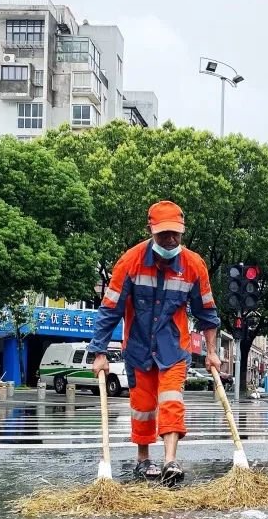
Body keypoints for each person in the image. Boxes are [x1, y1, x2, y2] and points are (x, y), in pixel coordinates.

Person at [89, 200, 221, 484]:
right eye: (163, 234)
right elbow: (110, 308)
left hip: (172, 347)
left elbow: (207, 313)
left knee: (171, 401)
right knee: (143, 405)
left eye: (175, 233)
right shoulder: (131, 261)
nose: (170, 239)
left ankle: (170, 461)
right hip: (138, 346)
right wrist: (99, 352)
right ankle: (143, 459)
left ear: (182, 232)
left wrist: (211, 352)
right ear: (151, 230)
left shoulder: (194, 265)